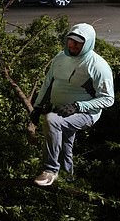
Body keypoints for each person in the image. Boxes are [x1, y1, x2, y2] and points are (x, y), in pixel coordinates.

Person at [30, 24, 114, 186]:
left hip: (86, 114)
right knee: (64, 145)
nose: (73, 45)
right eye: (71, 41)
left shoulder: (97, 66)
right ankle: (67, 180)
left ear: (88, 44)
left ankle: (50, 170)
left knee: (52, 121)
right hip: (61, 110)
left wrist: (78, 106)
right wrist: (37, 107)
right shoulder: (60, 58)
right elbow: (48, 83)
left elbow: (108, 99)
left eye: (78, 43)